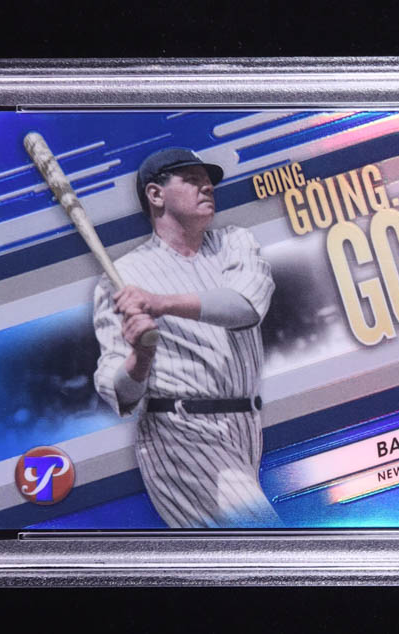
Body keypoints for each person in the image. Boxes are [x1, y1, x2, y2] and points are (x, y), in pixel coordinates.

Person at [92, 147, 280, 528]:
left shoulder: (234, 242)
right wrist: (140, 356)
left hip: (244, 425)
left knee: (235, 556)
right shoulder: (122, 277)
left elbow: (245, 307)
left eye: (208, 181)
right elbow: (120, 393)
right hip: (178, 431)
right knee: (262, 538)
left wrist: (161, 303)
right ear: (156, 194)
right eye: (192, 179)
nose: (207, 186)